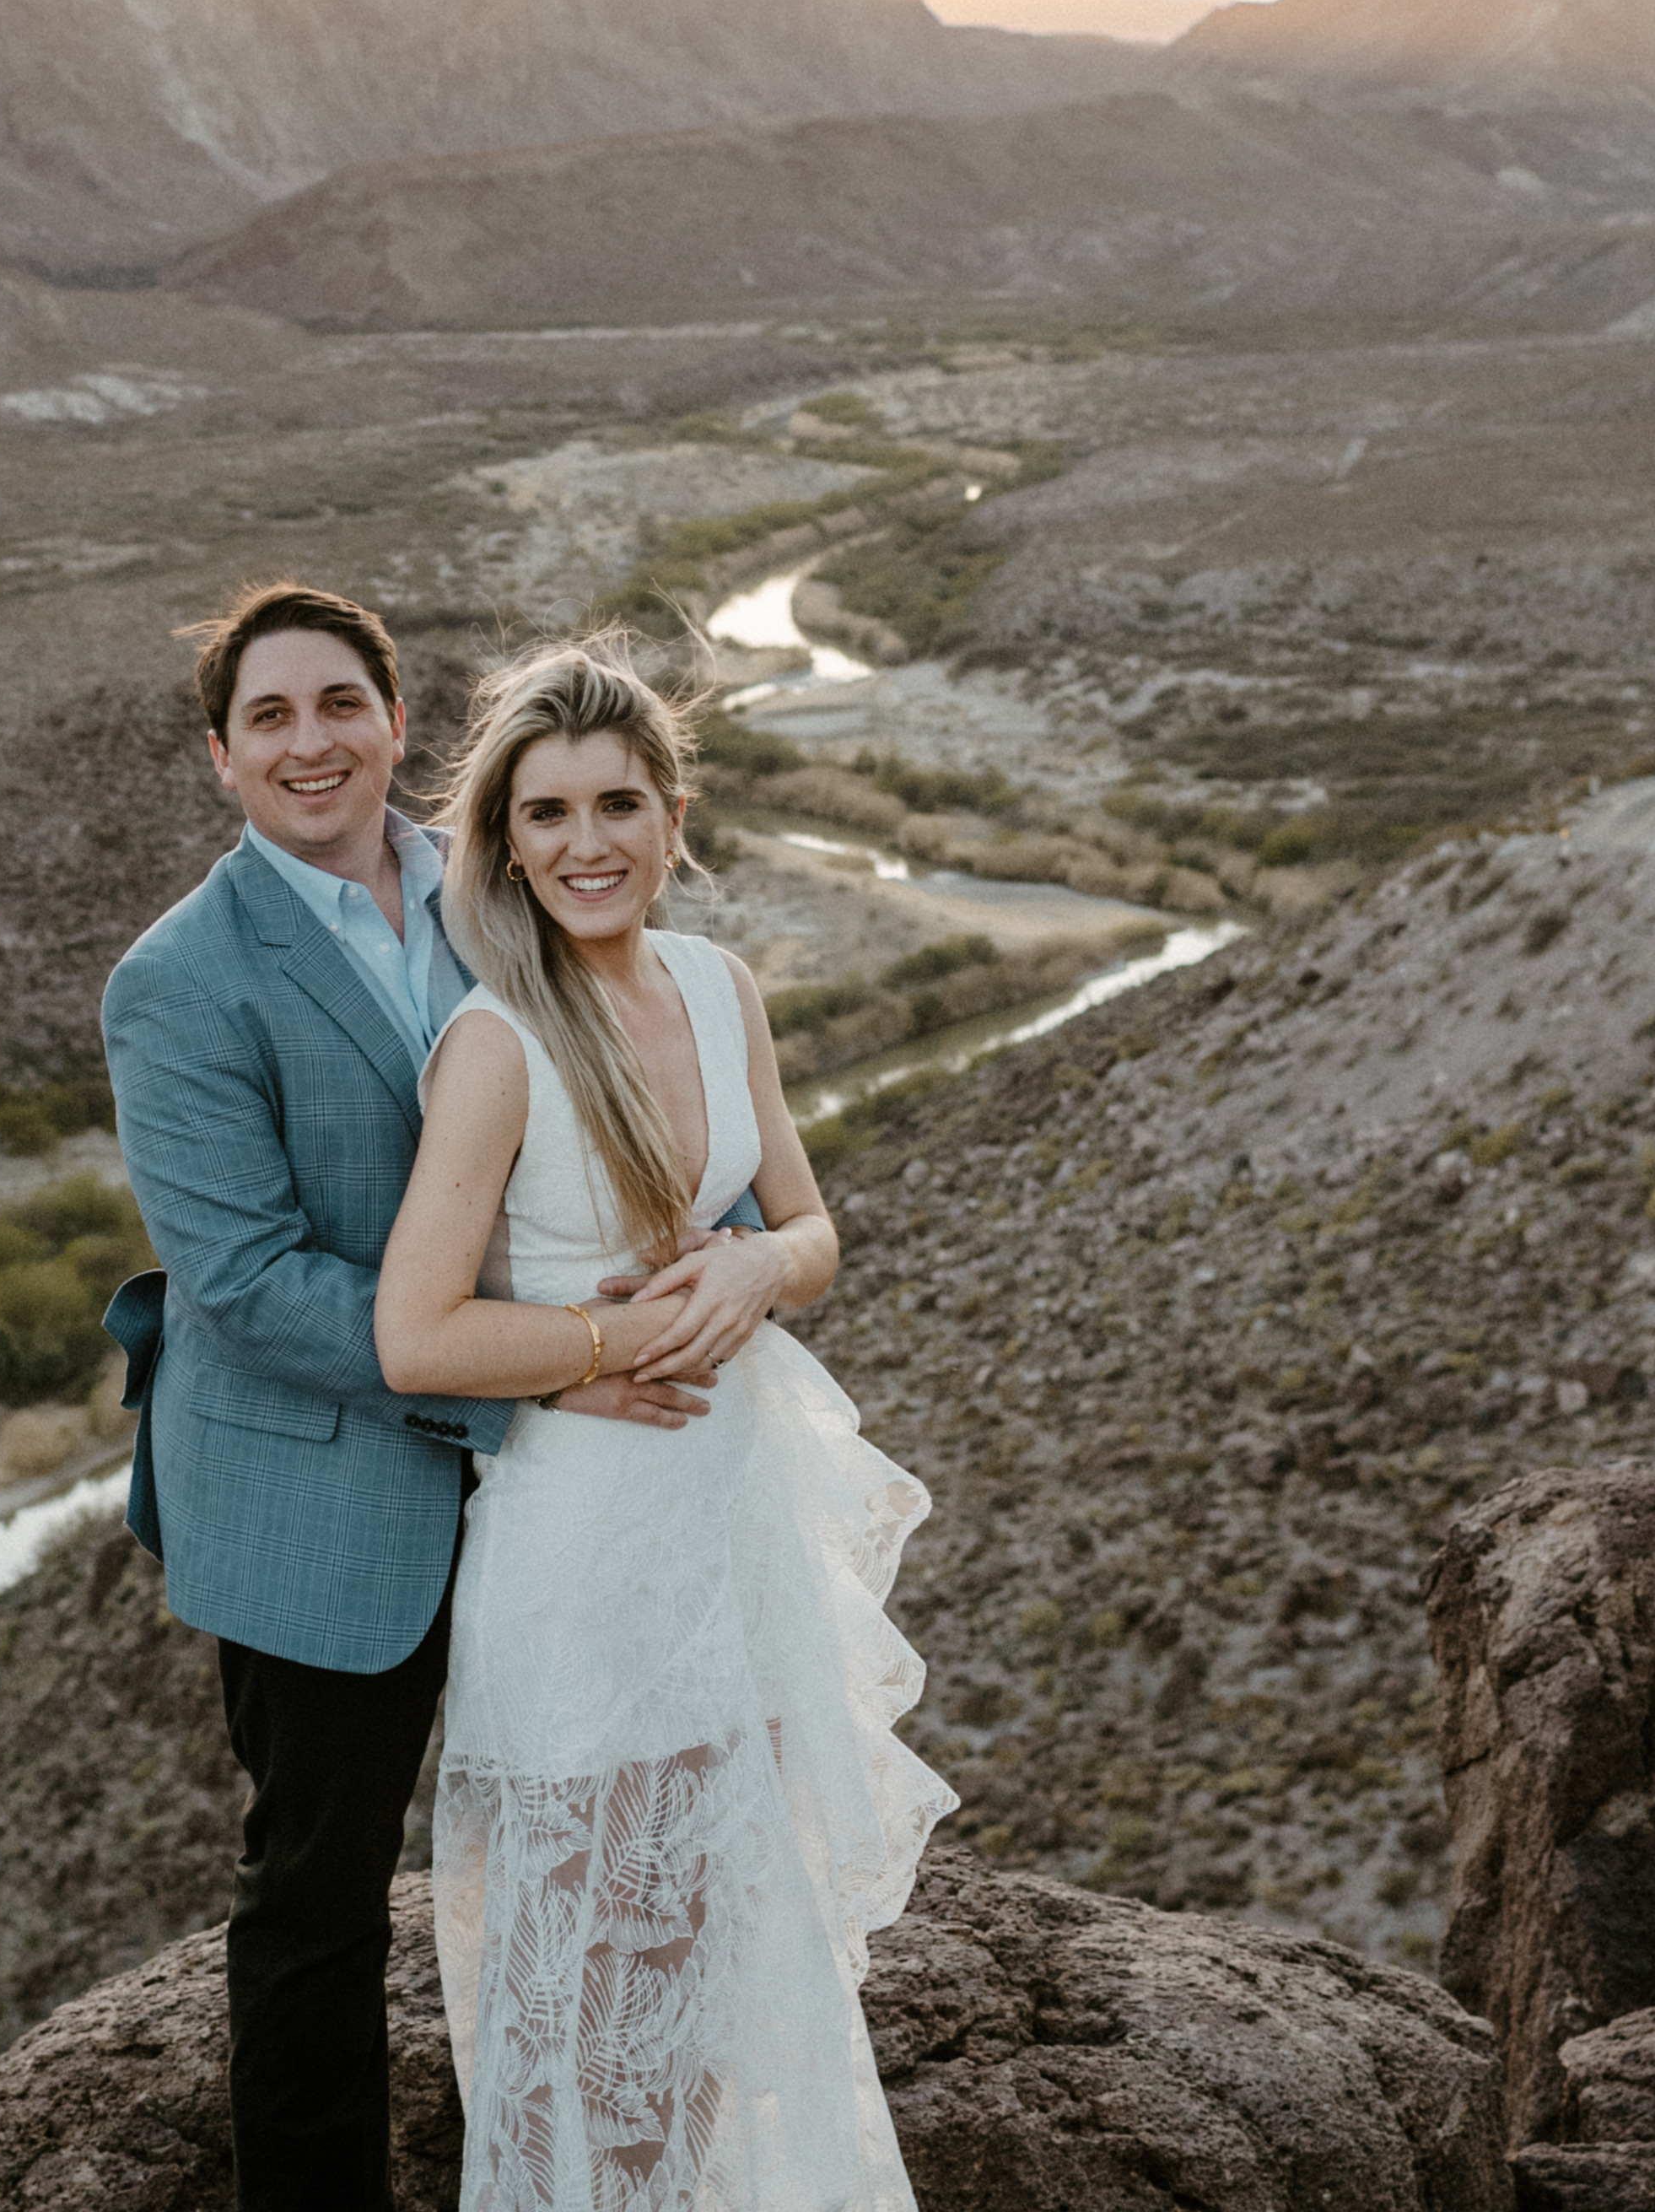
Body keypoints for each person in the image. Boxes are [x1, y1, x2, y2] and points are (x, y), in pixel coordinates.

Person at [102, 585, 761, 2212]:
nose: (311, 741)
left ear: (401, 721)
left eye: (342, 704)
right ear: (220, 757)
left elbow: (645, 1092)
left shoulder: (506, 883)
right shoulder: (177, 981)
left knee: (576, 1841)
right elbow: (242, 1282)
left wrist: (737, 1253)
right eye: (270, 717)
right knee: (318, 1895)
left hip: (557, 1494)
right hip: (321, 1482)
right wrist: (550, 1361)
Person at [376, 639, 951, 2212]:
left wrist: (762, 1262)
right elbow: (414, 1333)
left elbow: (812, 1224)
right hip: (583, 1551)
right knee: (597, 1996)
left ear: (674, 812)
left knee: (718, 1951)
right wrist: (613, 1335)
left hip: (731, 1528)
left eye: (617, 804)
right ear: (501, 840)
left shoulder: (719, 986)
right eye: (545, 813)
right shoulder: (498, 1044)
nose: (586, 845)